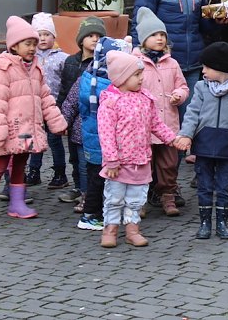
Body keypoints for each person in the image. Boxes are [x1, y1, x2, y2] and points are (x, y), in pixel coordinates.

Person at [0, 17, 67, 222]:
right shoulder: (3, 69)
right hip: (10, 129)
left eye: (34, 44)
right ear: (14, 45)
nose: (32, 48)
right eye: (28, 44)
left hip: (28, 129)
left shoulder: (36, 69)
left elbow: (46, 98)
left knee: (21, 164)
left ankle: (17, 203)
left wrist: (56, 121)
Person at [96, 51, 182, 248]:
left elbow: (156, 124)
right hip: (118, 163)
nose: (141, 78)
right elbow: (106, 134)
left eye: (140, 74)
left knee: (136, 198)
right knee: (115, 198)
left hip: (141, 159)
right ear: (122, 78)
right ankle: (110, 229)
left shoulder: (145, 98)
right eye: (136, 75)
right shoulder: (111, 101)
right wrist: (111, 160)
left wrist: (172, 139)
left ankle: (132, 229)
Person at [174, 42, 228, 240]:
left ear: (219, 68)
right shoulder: (202, 87)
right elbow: (192, 114)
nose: (203, 71)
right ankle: (204, 223)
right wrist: (186, 135)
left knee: (224, 186)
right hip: (204, 144)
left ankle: (221, 222)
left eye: (206, 67)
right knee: (204, 185)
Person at [132, 0, 206, 122]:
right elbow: (139, 23)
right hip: (163, 62)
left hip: (193, 62)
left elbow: (203, 20)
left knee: (188, 117)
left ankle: (182, 154)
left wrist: (217, 17)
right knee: (164, 118)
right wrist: (138, 56)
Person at [61, 36, 130, 232]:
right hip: (108, 140)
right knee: (102, 178)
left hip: (88, 137)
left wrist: (62, 123)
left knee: (94, 176)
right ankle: (92, 214)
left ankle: (96, 212)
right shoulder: (115, 84)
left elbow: (70, 103)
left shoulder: (87, 77)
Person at [132, 7, 189, 216]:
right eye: (154, 35)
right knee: (143, 164)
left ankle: (168, 197)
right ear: (143, 39)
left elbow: (183, 86)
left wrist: (178, 95)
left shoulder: (172, 63)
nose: (159, 39)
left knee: (169, 164)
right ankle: (141, 199)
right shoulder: (136, 63)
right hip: (144, 126)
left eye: (162, 35)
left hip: (168, 124)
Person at [55, 17, 105, 209]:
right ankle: (78, 187)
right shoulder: (70, 62)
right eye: (90, 35)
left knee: (88, 159)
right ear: (81, 39)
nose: (94, 39)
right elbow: (65, 91)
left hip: (91, 120)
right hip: (73, 118)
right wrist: (60, 116)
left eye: (99, 36)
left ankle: (88, 192)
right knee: (75, 158)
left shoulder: (101, 65)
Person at [24, 13, 69, 190]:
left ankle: (60, 172)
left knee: (54, 140)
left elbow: (66, 83)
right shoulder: (29, 58)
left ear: (53, 36)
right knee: (32, 139)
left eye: (46, 34)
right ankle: (33, 171)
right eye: (39, 35)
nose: (43, 38)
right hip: (33, 106)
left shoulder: (62, 58)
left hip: (54, 106)